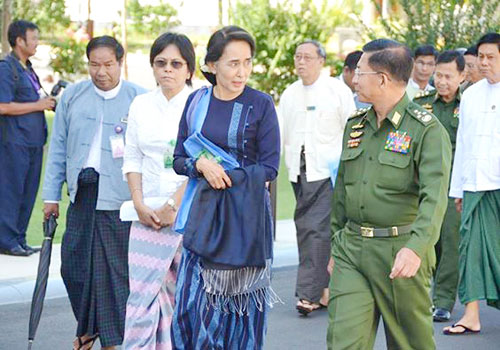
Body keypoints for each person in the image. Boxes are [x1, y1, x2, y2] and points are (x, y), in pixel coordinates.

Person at [327, 39, 452, 350]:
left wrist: (416, 247)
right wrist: (335, 242)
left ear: (381, 78)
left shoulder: (427, 130)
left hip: (400, 251)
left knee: (410, 344)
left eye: (360, 72)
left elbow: (434, 199)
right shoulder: (356, 125)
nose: (354, 79)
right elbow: (342, 190)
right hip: (351, 249)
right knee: (343, 342)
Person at [170, 26, 280, 350]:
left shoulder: (260, 104)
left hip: (245, 221)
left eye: (247, 62)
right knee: (192, 309)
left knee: (238, 315)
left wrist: (228, 176)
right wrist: (201, 166)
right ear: (212, 65)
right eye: (233, 63)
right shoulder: (196, 102)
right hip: (203, 217)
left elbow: (270, 167)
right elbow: (178, 158)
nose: (241, 71)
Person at [42, 36, 146, 350]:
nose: (101, 71)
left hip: (120, 201)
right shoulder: (72, 96)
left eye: (108, 64)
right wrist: (51, 196)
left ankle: (109, 341)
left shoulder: (138, 99)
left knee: (116, 278)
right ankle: (89, 328)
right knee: (74, 270)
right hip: (82, 196)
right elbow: (58, 147)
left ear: (120, 63)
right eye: (94, 64)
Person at [121, 32, 194, 349]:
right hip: (145, 214)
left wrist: (172, 206)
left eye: (176, 64)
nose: (168, 69)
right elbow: (132, 156)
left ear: (188, 69)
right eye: (161, 63)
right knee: (141, 298)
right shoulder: (141, 104)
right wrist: (139, 203)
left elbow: (203, 160)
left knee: (183, 297)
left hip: (188, 215)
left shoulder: (200, 103)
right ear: (152, 67)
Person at [279, 40, 355, 315]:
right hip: (298, 170)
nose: (301, 62)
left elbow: (351, 130)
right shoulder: (289, 93)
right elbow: (283, 134)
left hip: (327, 172)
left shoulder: (336, 90)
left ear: (321, 61)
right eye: (298, 56)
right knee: (309, 230)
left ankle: (308, 294)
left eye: (308, 57)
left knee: (315, 228)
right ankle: (325, 290)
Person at [443, 32, 500, 336]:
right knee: (471, 250)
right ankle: (471, 314)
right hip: (474, 186)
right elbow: (462, 145)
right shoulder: (472, 95)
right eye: (482, 57)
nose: (484, 62)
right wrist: (458, 189)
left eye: (491, 57)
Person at [414, 50, 466, 322]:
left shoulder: (469, 104)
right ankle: (424, 296)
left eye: (448, 76)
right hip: (424, 185)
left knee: (449, 242)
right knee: (425, 242)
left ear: (462, 76)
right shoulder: (421, 103)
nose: (442, 81)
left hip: (454, 185)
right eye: (439, 74)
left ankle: (443, 300)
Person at [0, 20, 55, 256]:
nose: (36, 43)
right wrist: (37, 105)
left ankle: (19, 238)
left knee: (28, 191)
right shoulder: (6, 68)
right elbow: (2, 106)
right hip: (14, 142)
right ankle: (6, 240)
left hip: (33, 142)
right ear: (19, 41)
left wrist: (46, 103)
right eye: (33, 38)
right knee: (11, 191)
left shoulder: (28, 68)